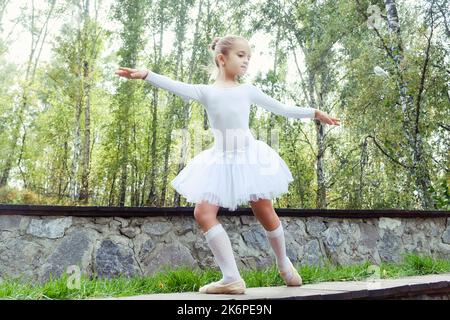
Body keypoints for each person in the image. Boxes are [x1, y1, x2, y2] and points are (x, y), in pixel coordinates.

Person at [115, 35, 341, 295]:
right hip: (220, 160)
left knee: (264, 211)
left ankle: (284, 264)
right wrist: (147, 75)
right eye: (241, 56)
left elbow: (282, 108)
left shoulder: (248, 90)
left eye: (248, 57)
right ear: (222, 59)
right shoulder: (206, 92)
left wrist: (313, 112)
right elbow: (176, 86)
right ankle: (231, 277)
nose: (246, 62)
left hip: (249, 156)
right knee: (203, 213)